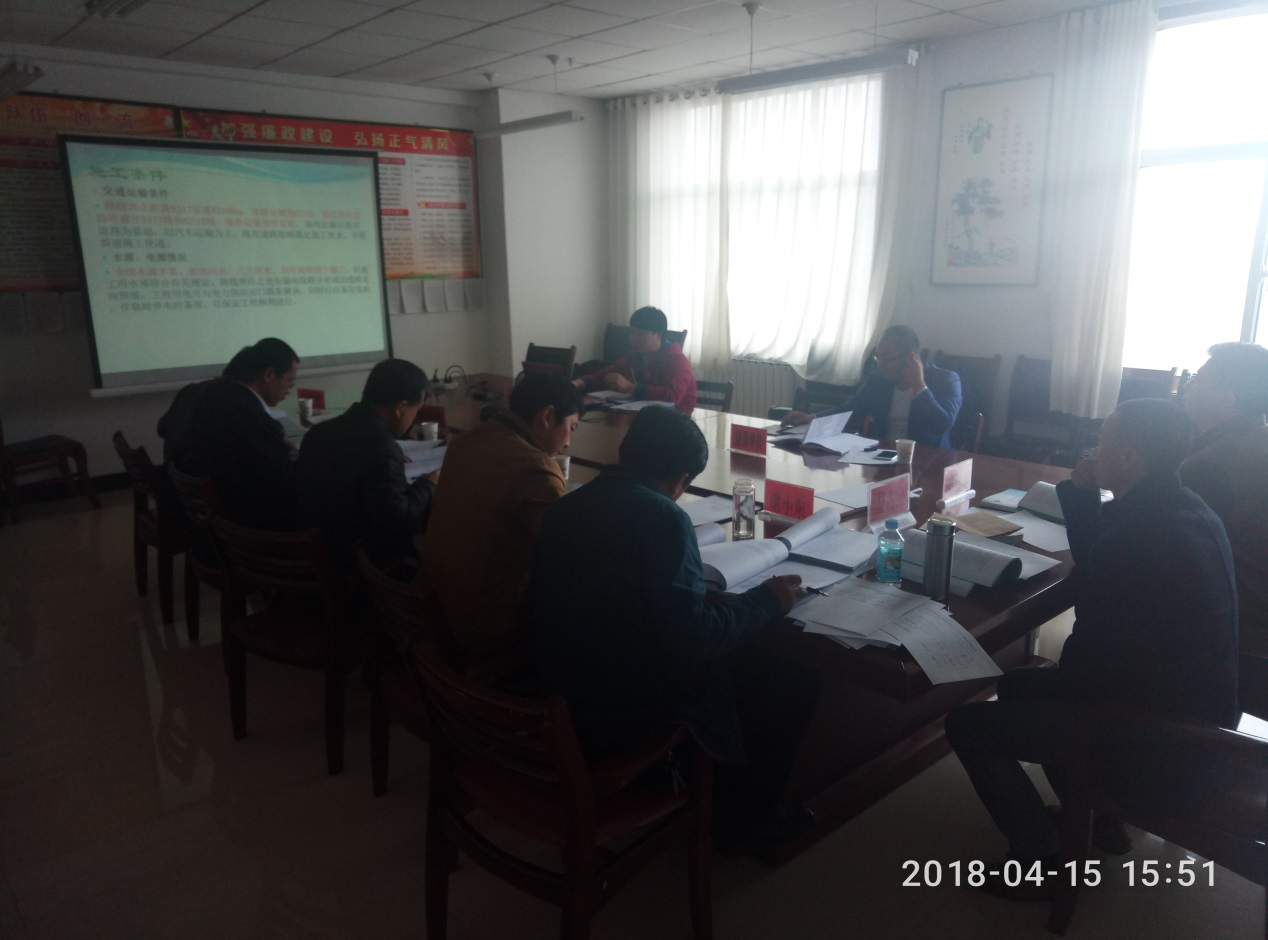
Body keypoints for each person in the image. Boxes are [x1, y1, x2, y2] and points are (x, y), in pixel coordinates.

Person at [944, 398, 1238, 901]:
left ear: (1129, 457)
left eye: (1103, 440)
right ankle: (1099, 821)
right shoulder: (1180, 506)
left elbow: (1087, 672)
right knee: (1017, 685)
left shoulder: (1142, 536)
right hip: (1190, 710)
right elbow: (1102, 559)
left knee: (966, 724)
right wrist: (1080, 496)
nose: (1092, 450)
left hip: (1158, 741)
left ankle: (1040, 862)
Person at [533, 406, 820, 851]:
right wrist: (767, 600)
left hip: (561, 688)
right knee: (791, 681)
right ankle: (743, 820)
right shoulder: (662, 518)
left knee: (744, 659)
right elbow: (694, 638)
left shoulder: (566, 507)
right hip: (619, 711)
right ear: (681, 479)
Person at [421, 372, 582, 660]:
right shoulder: (537, 470)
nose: (569, 442)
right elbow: (567, 557)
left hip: (432, 607)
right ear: (547, 416)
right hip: (485, 628)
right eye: (571, 427)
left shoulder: (463, 441)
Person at [1179, 341, 1268, 716]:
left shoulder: (1212, 465)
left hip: (1238, 634)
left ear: (1226, 397)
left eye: (1199, 379)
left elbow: (1173, 556)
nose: (1187, 385)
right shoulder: (1258, 440)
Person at [294, 358, 437, 574]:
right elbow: (399, 518)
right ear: (400, 408)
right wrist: (428, 484)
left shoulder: (319, 432)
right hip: (360, 567)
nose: (414, 420)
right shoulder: (381, 446)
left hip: (316, 555)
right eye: (415, 411)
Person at [173, 337, 299, 530]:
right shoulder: (249, 415)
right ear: (269, 374)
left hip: (199, 509)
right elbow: (279, 479)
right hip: (243, 523)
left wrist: (274, 445)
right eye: (289, 382)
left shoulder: (214, 392)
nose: (289, 391)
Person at [782, 325, 962, 448]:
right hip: (883, 456)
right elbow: (852, 409)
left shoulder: (946, 380)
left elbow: (942, 425)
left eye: (886, 359)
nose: (879, 364)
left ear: (910, 358)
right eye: (878, 357)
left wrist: (920, 387)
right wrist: (812, 418)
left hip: (928, 461)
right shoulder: (878, 379)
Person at [573, 306, 697, 413]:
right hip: (644, 413)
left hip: (677, 420)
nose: (633, 338)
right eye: (632, 333)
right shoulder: (636, 356)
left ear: (658, 334)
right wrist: (579, 383)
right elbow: (606, 373)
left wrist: (630, 388)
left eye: (640, 334)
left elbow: (673, 395)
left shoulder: (676, 359)